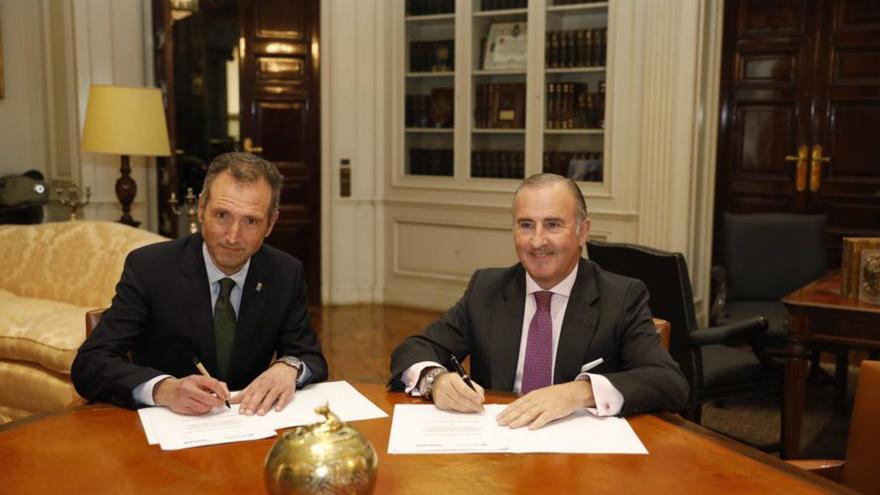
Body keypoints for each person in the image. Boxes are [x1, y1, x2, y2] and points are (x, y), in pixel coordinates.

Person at [389, 173, 688, 429]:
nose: (537, 241)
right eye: (526, 225)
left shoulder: (621, 297)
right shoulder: (487, 289)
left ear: (582, 231)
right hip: (498, 451)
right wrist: (435, 380)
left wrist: (580, 392)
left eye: (553, 225)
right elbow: (413, 348)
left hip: (582, 461)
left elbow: (668, 382)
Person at [72, 152, 327, 416]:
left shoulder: (285, 272)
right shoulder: (150, 268)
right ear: (202, 208)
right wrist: (163, 389)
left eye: (251, 221)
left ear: (271, 223)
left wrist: (289, 367)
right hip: (165, 431)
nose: (233, 236)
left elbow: (310, 357)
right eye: (222, 215)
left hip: (246, 426)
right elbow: (91, 363)